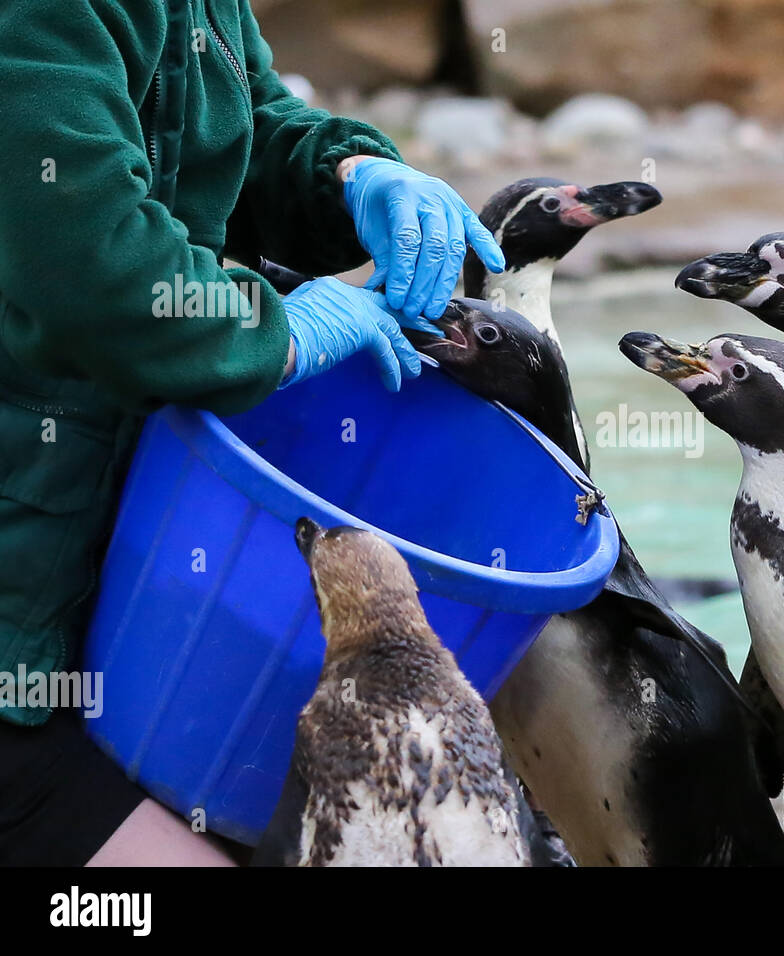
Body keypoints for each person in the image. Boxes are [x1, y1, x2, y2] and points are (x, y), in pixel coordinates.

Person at [0, 1, 504, 865]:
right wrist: (284, 334)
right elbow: (100, 267)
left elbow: (250, 122)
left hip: (85, 581)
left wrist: (351, 177)